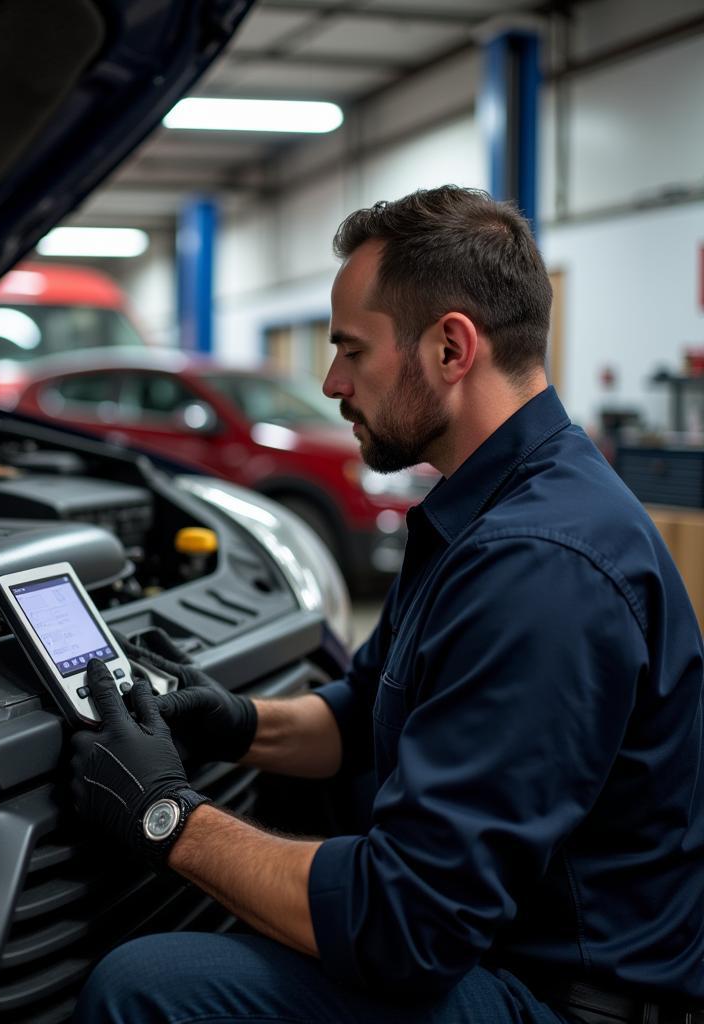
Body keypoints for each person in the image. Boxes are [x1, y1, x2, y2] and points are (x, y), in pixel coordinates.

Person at [68, 185, 704, 1024]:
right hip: (492, 942)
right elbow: (366, 709)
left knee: (144, 987)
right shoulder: (487, 506)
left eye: (351, 350)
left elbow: (403, 926)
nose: (332, 383)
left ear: (450, 348)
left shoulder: (540, 565)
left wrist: (166, 816)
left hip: (560, 1000)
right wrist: (234, 721)